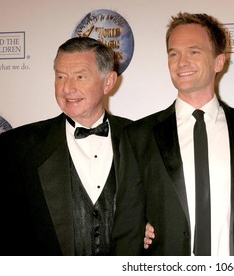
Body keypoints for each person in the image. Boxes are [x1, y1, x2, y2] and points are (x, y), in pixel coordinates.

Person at [120, 12, 234, 256]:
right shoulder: (138, 136)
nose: (181, 62)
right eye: (173, 53)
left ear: (219, 62)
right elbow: (127, 224)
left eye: (194, 51)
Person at [0, 37, 144, 256]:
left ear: (108, 82)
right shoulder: (16, 146)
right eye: (60, 77)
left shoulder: (141, 138)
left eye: (80, 76)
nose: (67, 88)